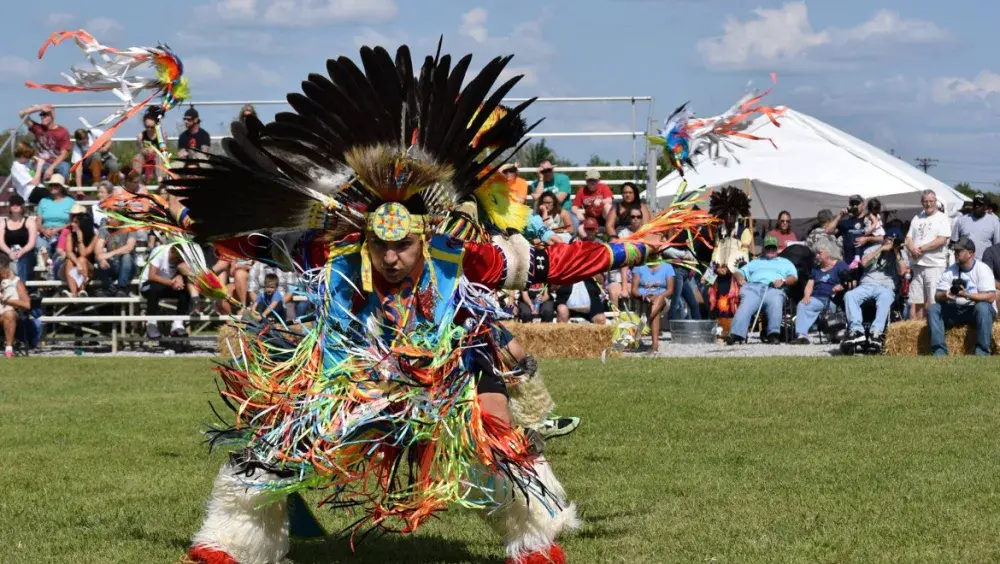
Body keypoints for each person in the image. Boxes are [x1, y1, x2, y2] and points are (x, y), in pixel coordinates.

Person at [101, 43, 711, 564]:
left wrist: (641, 248)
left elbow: (560, 263)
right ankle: (232, 543)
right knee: (275, 439)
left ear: (424, 237)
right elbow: (252, 240)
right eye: (382, 247)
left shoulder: (462, 258)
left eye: (404, 248)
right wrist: (176, 215)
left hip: (446, 378)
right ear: (368, 238)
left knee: (498, 432)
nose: (392, 259)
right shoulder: (334, 257)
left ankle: (535, 542)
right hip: (351, 378)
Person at [927, 237, 997, 356]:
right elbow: (937, 296)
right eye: (955, 251)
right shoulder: (950, 270)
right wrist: (945, 294)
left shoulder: (982, 269)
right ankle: (939, 352)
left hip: (975, 311)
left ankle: (982, 352)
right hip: (955, 309)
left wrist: (967, 295)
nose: (956, 253)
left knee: (983, 308)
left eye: (959, 251)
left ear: (970, 253)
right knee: (933, 308)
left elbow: (990, 297)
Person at [725, 235, 797, 344]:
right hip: (753, 287)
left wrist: (783, 281)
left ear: (777, 249)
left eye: (773, 248)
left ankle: (773, 334)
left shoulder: (785, 262)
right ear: (763, 248)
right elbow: (739, 272)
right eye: (768, 247)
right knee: (746, 303)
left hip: (773, 288)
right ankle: (736, 334)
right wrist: (740, 278)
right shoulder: (755, 262)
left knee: (776, 300)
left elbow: (794, 278)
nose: (770, 250)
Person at [841, 235, 906, 350]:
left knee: (885, 297)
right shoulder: (871, 249)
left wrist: (896, 251)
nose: (890, 242)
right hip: (866, 285)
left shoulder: (900, 253)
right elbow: (864, 263)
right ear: (884, 239)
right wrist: (881, 249)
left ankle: (876, 332)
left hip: (886, 287)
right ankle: (857, 331)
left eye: (893, 240)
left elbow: (902, 272)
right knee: (849, 295)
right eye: (889, 239)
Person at [905, 190, 951, 320]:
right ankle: (918, 329)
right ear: (922, 203)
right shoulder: (917, 218)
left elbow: (942, 239)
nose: (928, 204)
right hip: (917, 266)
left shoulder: (942, 218)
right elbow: (907, 239)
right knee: (917, 301)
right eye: (925, 201)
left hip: (934, 265)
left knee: (933, 301)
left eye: (931, 201)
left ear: (936, 202)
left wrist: (921, 249)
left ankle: (932, 329)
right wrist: (912, 249)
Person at [793, 245, 848, 343]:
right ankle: (802, 336)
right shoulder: (816, 269)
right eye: (816, 253)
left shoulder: (840, 265)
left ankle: (835, 335)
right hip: (817, 298)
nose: (817, 255)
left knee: (832, 311)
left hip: (834, 298)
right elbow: (810, 284)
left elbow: (850, 281)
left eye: (820, 253)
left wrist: (841, 287)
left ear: (829, 254)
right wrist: (806, 296)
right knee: (802, 305)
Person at [18, 103, 72, 180]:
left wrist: (51, 168)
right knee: (30, 164)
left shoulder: (62, 131)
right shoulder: (37, 128)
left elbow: (64, 154)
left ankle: (59, 189)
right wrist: (39, 108)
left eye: (45, 115)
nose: (42, 117)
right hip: (41, 163)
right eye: (41, 115)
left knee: (65, 166)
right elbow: (21, 114)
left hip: (56, 163)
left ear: (52, 116)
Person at [630, 261, 675, 351]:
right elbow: (634, 290)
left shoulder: (667, 267)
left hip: (663, 300)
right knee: (655, 308)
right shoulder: (639, 267)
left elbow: (670, 290)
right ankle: (654, 345)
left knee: (658, 300)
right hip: (643, 300)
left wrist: (658, 296)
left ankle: (642, 325)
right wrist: (642, 296)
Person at [35, 174, 75, 264]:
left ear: (61, 187)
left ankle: (49, 263)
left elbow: (73, 222)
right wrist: (44, 230)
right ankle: (49, 262)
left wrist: (58, 229)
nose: (53, 187)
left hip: (63, 233)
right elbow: (38, 222)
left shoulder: (71, 202)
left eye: (56, 185)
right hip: (45, 233)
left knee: (59, 247)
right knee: (39, 242)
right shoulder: (43, 201)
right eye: (51, 185)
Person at [95, 218, 139, 297]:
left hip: (127, 267)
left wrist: (109, 254)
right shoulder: (105, 224)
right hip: (112, 265)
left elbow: (129, 247)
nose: (108, 219)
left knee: (126, 256)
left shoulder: (131, 224)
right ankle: (109, 289)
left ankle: (122, 288)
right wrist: (101, 258)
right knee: (99, 257)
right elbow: (98, 246)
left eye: (111, 217)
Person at [60, 206, 98, 297]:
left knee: (82, 259)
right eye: (73, 221)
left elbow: (84, 254)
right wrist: (78, 263)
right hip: (75, 266)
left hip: (89, 268)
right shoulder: (70, 235)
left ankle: (82, 290)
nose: (72, 224)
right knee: (70, 261)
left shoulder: (95, 236)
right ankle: (73, 292)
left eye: (75, 222)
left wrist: (80, 238)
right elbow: (69, 253)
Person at [0, 252, 32, 358]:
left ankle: (9, 348)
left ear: (6, 267)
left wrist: (7, 300)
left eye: (1, 270)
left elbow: (27, 305)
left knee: (9, 313)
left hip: (10, 312)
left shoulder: (16, 282)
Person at [951, 192, 1000, 260]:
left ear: (985, 206)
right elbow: (954, 242)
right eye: (975, 203)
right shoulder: (961, 220)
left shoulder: (994, 221)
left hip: (985, 263)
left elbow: (997, 247)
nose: (977, 206)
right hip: (964, 263)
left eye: (980, 204)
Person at [0, 196, 38, 283]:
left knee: (23, 260)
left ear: (22, 207)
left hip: (26, 252)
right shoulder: (3, 222)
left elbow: (31, 243)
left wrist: (21, 252)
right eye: (13, 204)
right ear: (9, 207)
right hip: (7, 252)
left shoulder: (30, 222)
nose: (15, 206)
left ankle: (22, 288)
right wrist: (10, 252)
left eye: (18, 204)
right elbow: (0, 242)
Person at [826, 194, 870, 267]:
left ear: (863, 204)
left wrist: (868, 239)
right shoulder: (845, 222)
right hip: (849, 263)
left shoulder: (869, 219)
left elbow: (882, 237)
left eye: (857, 203)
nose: (855, 206)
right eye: (852, 204)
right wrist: (840, 216)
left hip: (866, 263)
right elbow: (828, 230)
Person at [570, 169, 613, 238]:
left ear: (599, 180)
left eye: (595, 180)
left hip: (603, 217)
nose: (592, 183)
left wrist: (601, 201)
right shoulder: (582, 191)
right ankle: (589, 244)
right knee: (580, 229)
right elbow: (574, 207)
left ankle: (610, 229)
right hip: (590, 219)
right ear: (586, 181)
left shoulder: (603, 187)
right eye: (590, 180)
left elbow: (609, 200)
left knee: (608, 206)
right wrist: (577, 212)